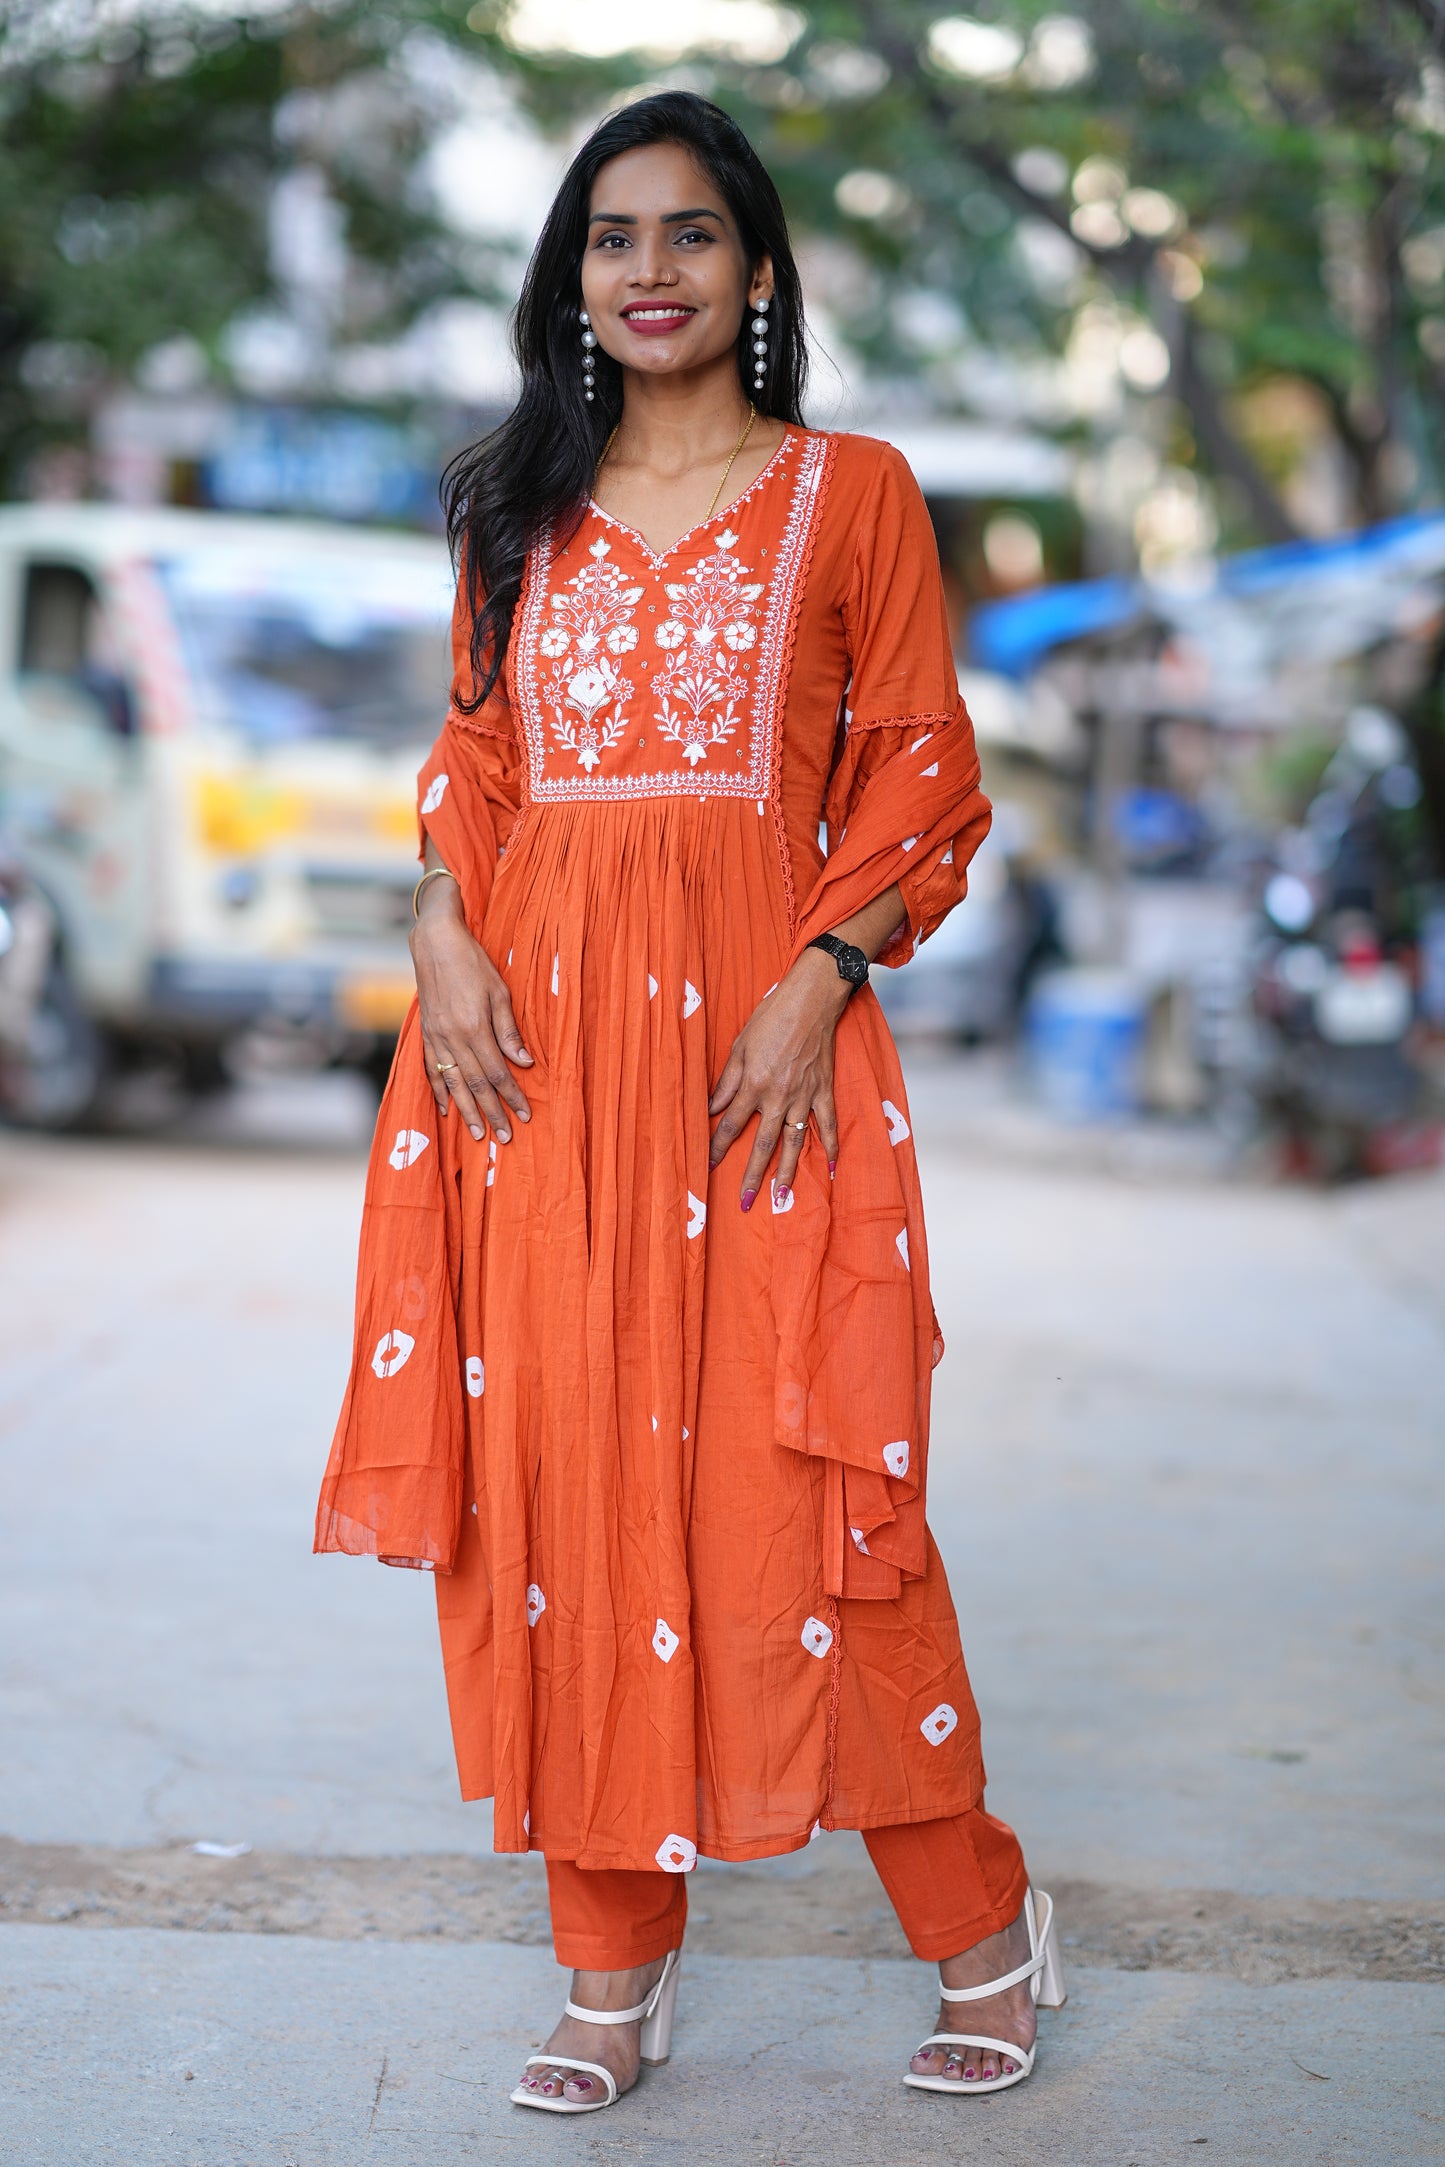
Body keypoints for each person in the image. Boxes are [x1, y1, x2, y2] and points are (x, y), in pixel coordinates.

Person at [315, 90, 1064, 2114]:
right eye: (612, 238)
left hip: (762, 1068)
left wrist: (821, 979)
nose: (649, 271)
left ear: (755, 271)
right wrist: (435, 921)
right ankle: (608, 1965)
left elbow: (926, 774)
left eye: (692, 236)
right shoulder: (508, 504)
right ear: (571, 278)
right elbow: (475, 765)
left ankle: (979, 1922)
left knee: (816, 1500)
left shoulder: (853, 493)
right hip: (534, 1074)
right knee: (560, 1492)